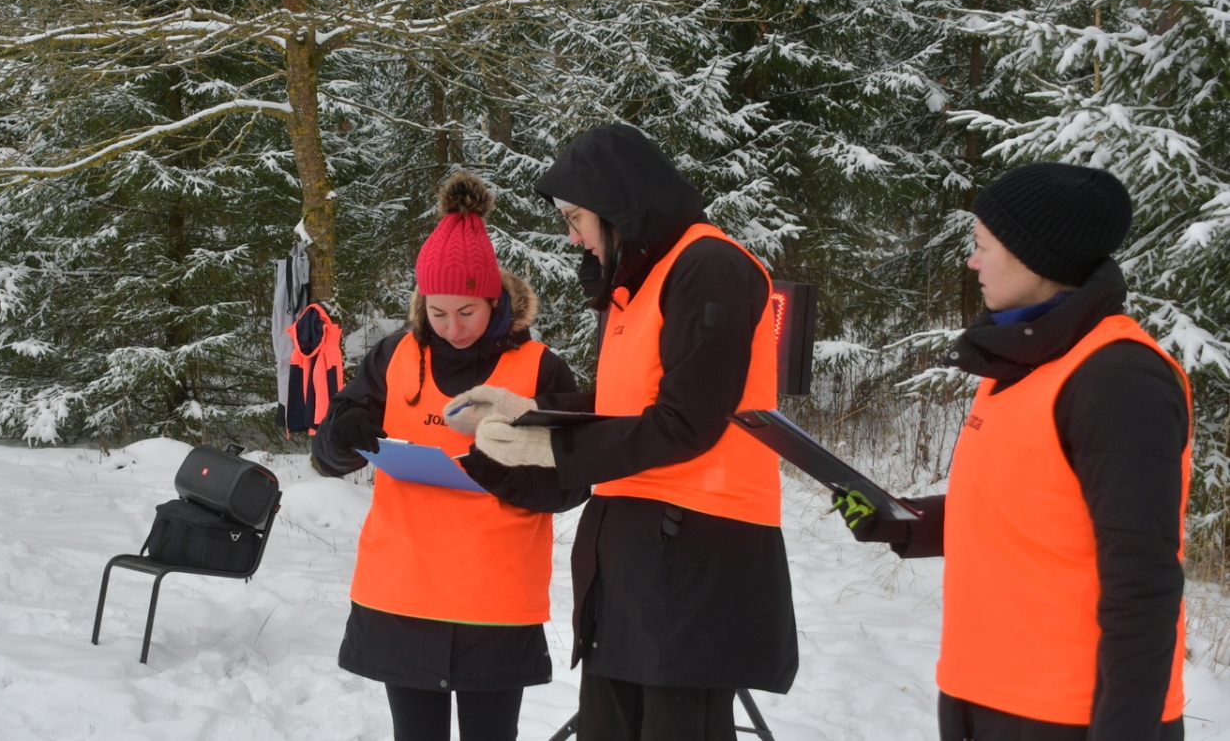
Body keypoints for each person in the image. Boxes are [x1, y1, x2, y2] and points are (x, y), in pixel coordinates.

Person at [456, 124, 798, 741]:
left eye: (576, 218)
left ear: (617, 205)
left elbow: (688, 420)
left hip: (697, 558)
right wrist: (530, 411)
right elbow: (625, 404)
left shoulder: (709, 266)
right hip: (632, 549)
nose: (572, 236)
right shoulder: (637, 285)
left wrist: (550, 446)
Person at [833, 162, 1192, 741]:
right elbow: (1024, 509)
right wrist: (901, 521)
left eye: (983, 246)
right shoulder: (1024, 360)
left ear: (1034, 258)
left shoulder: (1119, 377)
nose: (971, 262)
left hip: (1071, 714)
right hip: (984, 691)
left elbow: (1143, 580)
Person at [311, 172, 585, 741]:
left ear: (494, 301)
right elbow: (326, 457)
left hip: (494, 601)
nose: (452, 328)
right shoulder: (394, 355)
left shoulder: (540, 369)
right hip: (402, 592)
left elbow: (573, 481)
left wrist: (500, 473)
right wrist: (342, 438)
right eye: (438, 313)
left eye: (467, 312)